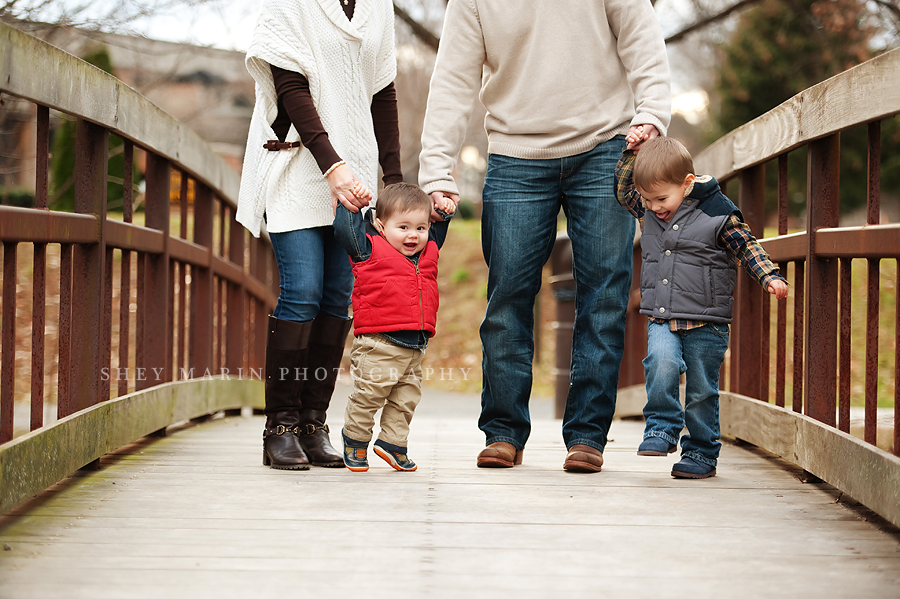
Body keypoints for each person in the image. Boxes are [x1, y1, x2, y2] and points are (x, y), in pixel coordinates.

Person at [418, 0, 671, 472]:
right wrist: (437, 170)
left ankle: (587, 436)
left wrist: (653, 112)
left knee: (605, 292)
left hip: (605, 144)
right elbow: (452, 79)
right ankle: (503, 431)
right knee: (508, 293)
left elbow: (642, 38)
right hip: (515, 154)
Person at [236, 0, 401, 470]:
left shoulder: (378, 8)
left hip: (357, 175)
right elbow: (289, 87)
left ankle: (312, 423)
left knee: (336, 296)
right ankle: (280, 426)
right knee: (303, 291)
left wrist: (393, 176)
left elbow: (382, 91)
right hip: (296, 166)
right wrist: (332, 165)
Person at [615, 134, 789, 478]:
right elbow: (624, 191)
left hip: (707, 322)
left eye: (661, 198)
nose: (653, 207)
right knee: (660, 363)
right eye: (648, 201)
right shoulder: (651, 208)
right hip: (663, 316)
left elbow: (746, 245)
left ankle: (702, 454)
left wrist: (769, 275)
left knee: (701, 391)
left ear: (688, 183)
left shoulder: (718, 212)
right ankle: (662, 428)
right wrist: (631, 154)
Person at [332, 182, 455, 472]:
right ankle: (355, 439)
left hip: (416, 346)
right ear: (380, 225)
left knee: (405, 399)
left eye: (420, 228)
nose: (413, 235)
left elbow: (438, 229)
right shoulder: (368, 249)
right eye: (403, 227)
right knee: (369, 395)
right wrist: (354, 206)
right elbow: (345, 230)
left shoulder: (428, 254)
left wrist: (444, 213)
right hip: (379, 342)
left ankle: (392, 443)